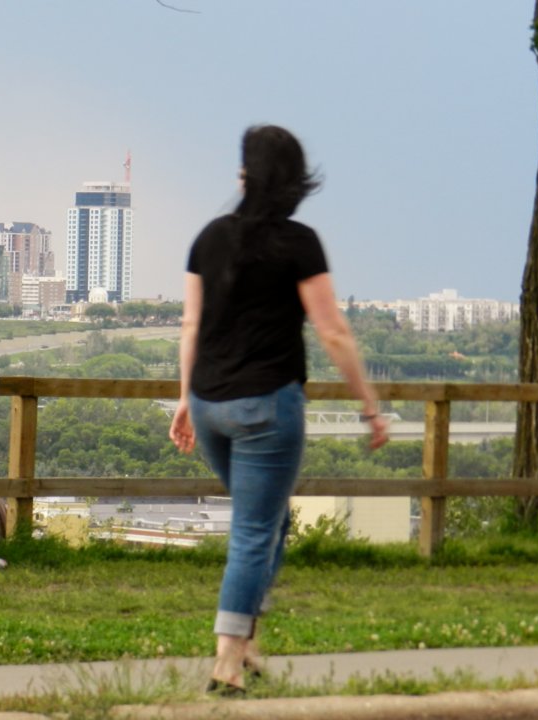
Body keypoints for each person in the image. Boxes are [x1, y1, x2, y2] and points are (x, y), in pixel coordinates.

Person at [167, 125, 390, 694]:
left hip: (212, 405)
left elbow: (191, 324)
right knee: (252, 531)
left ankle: (251, 640)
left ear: (244, 176)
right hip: (266, 407)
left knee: (272, 521)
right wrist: (370, 407)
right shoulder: (299, 243)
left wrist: (184, 398)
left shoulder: (209, 238)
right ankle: (226, 659)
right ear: (294, 182)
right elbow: (334, 331)